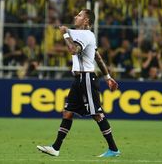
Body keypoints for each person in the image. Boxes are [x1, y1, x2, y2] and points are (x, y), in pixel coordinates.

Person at [37, 9, 121, 158]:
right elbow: (98, 58)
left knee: (97, 114)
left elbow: (74, 50)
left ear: (87, 21)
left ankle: (113, 149)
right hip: (78, 80)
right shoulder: (80, 33)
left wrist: (64, 34)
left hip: (87, 78)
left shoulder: (86, 35)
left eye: (80, 15)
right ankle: (55, 148)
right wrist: (108, 76)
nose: (76, 16)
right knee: (68, 113)